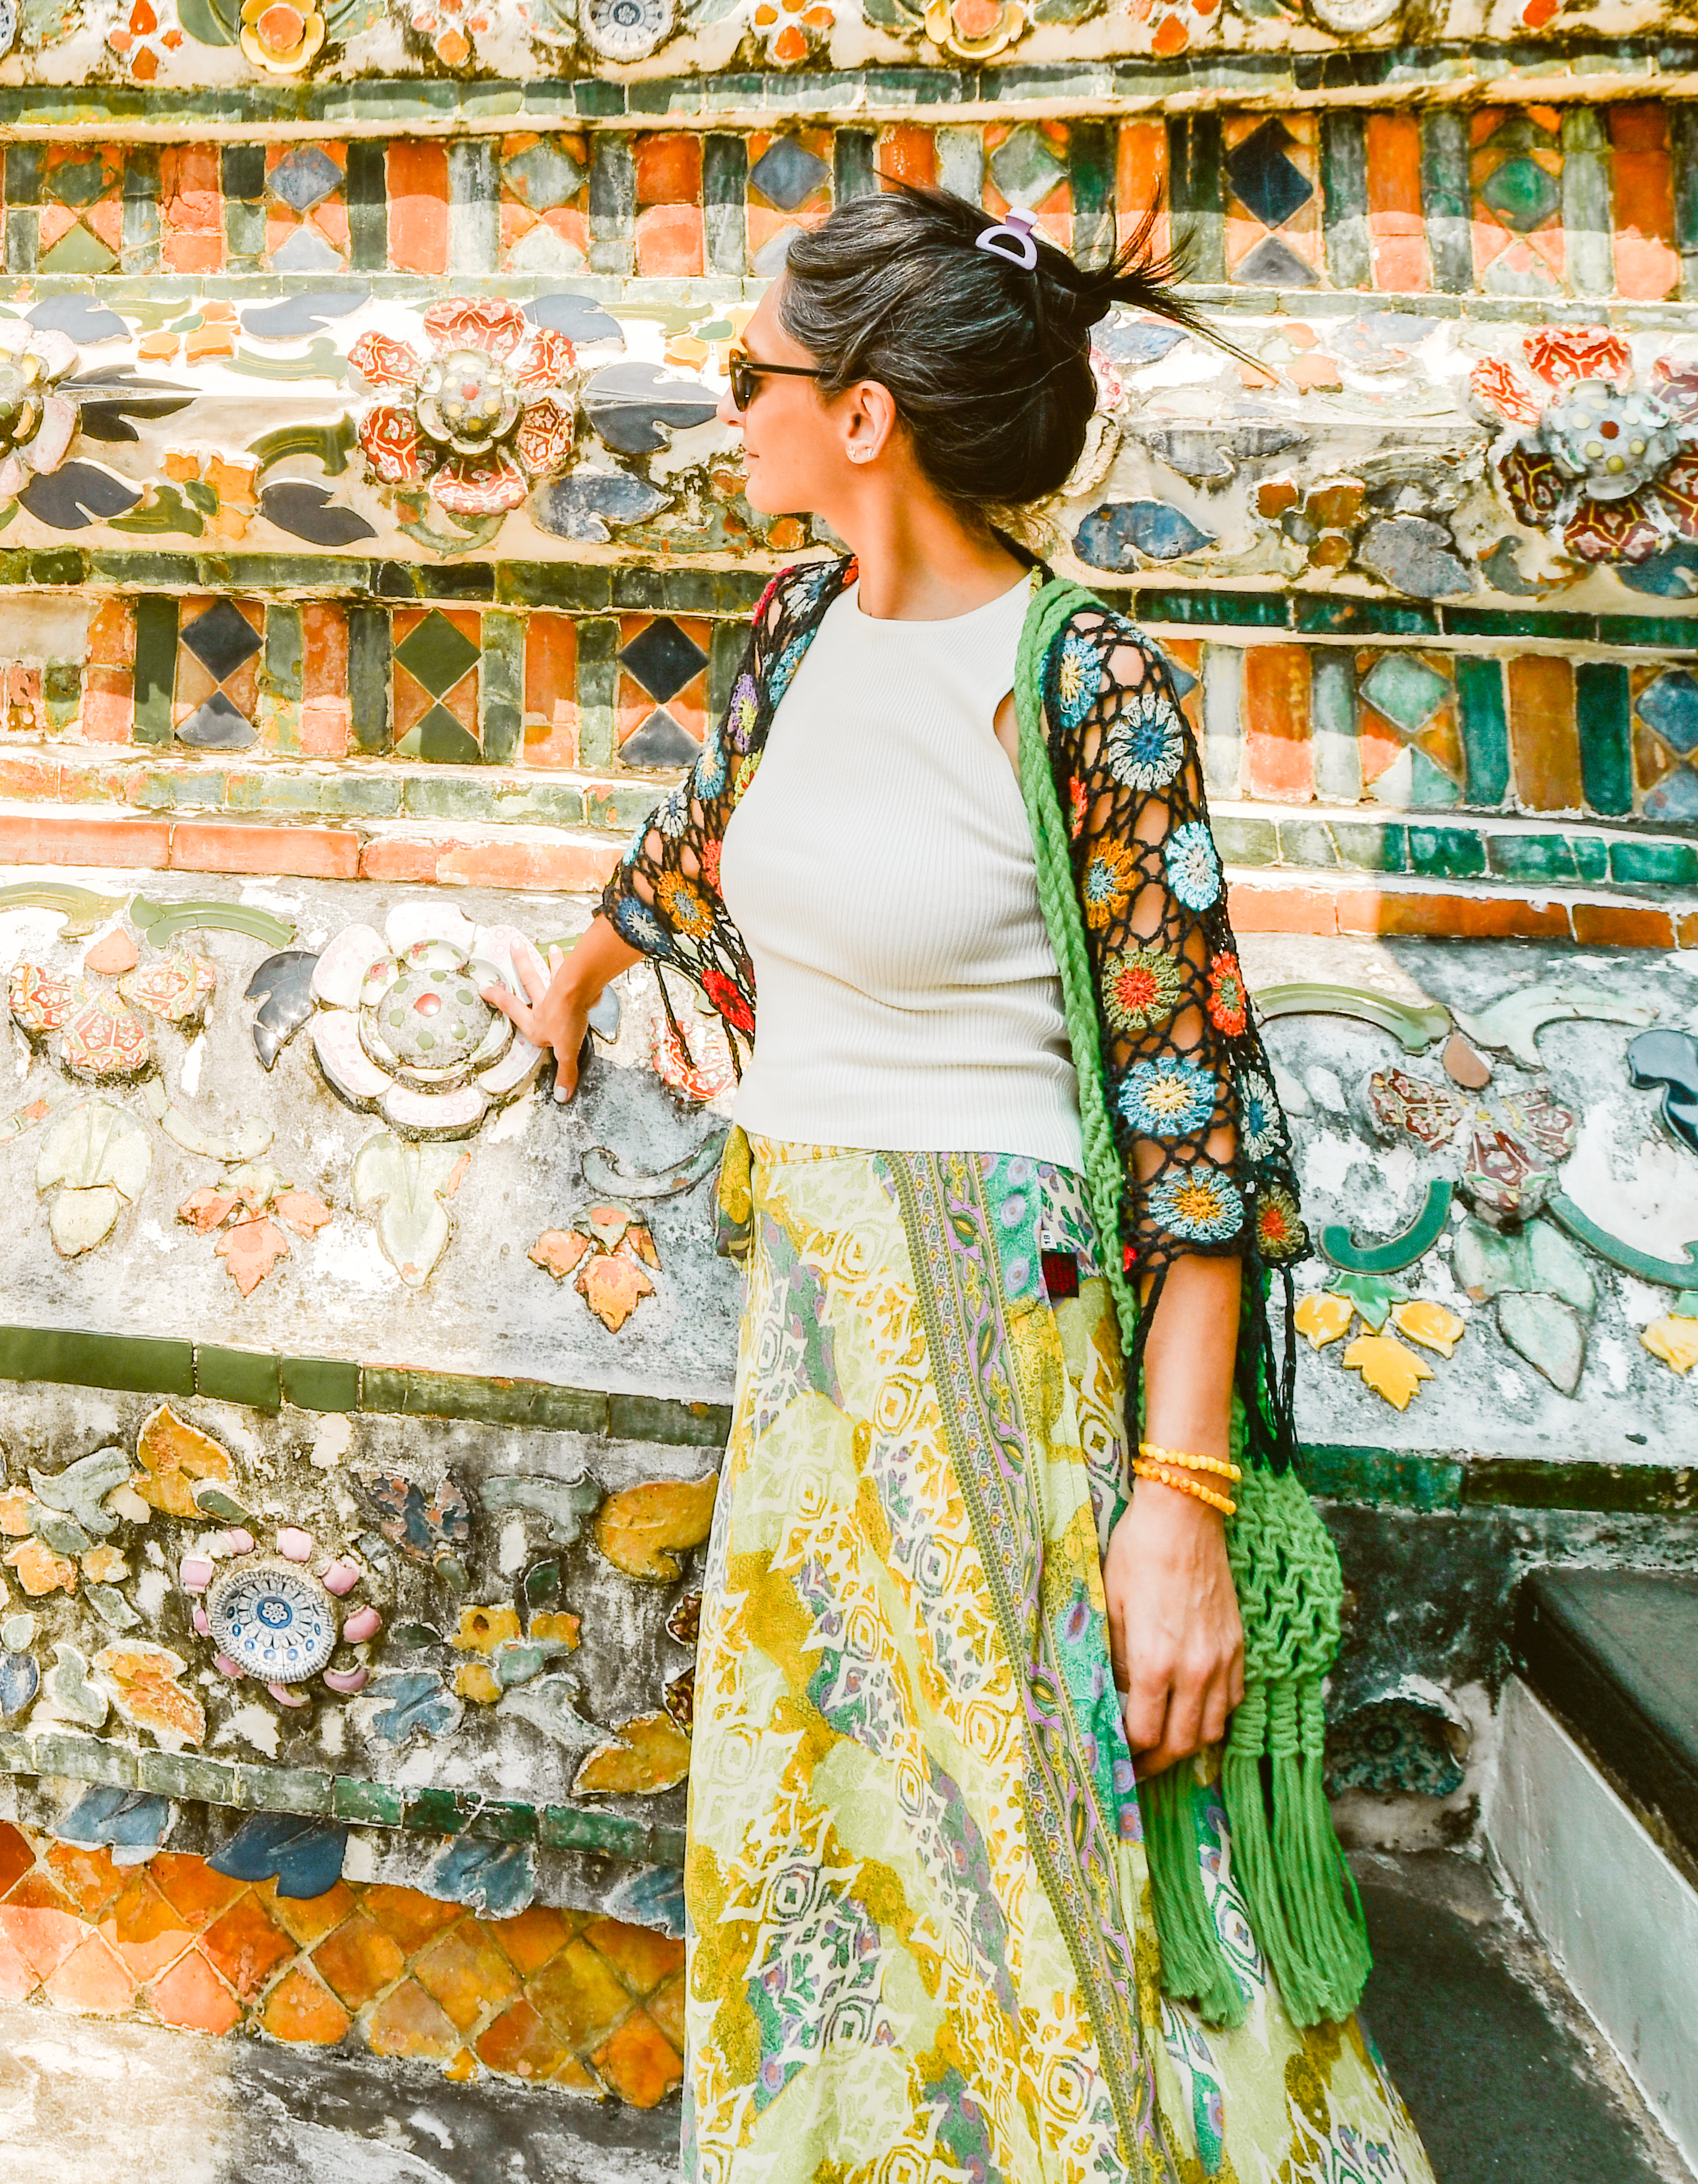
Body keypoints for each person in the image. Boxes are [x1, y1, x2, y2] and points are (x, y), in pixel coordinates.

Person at [493, 186, 1434, 2184]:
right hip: (815, 1337)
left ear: (860, 414)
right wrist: (582, 958)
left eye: (747, 370)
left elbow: (1196, 1115)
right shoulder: (793, 625)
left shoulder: (1083, 685)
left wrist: (1174, 1511)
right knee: (825, 1855)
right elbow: (715, 825)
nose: (722, 404)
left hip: (1017, 1341)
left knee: (1031, 1865)